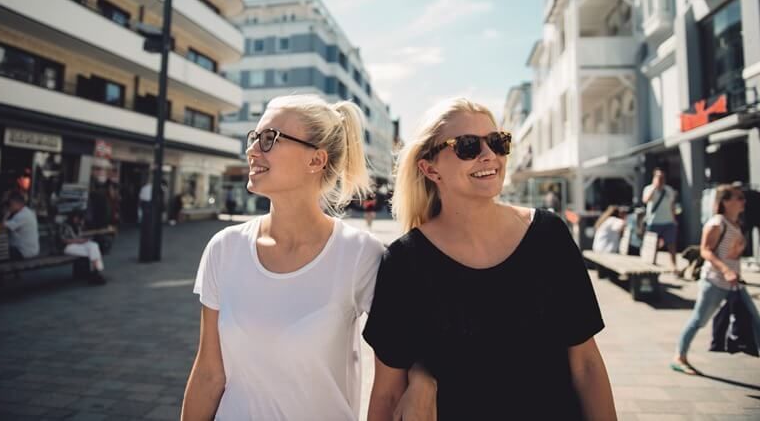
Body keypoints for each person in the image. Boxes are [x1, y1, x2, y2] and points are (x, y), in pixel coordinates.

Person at [181, 94, 433, 420]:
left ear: (316, 161)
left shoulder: (360, 255)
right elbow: (208, 374)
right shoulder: (223, 248)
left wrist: (425, 377)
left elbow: (400, 367)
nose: (252, 149)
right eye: (254, 137)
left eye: (270, 138)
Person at [363, 98, 616, 420]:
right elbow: (386, 393)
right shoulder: (404, 263)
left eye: (497, 142)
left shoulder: (548, 236)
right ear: (430, 169)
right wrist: (421, 373)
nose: (490, 155)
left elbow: (587, 364)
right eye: (468, 146)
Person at [671, 184, 760, 375]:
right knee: (698, 320)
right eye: (738, 198)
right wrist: (726, 270)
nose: (743, 201)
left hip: (734, 283)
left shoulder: (736, 223)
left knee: (755, 320)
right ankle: (679, 357)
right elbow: (706, 251)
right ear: (725, 202)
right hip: (714, 282)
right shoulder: (717, 223)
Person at [643, 168, 680, 273]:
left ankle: (673, 266)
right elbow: (646, 200)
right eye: (658, 177)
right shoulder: (648, 189)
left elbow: (672, 206)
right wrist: (654, 188)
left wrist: (674, 219)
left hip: (668, 222)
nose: (661, 179)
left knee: (671, 244)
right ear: (654, 178)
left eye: (663, 177)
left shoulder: (669, 190)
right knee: (652, 245)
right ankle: (652, 265)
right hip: (654, 222)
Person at [59, 211, 107, 285]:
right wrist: (78, 241)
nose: (79, 220)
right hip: (67, 247)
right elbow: (63, 240)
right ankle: (97, 272)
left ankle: (96, 271)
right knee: (92, 252)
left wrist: (83, 240)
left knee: (94, 246)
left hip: (78, 244)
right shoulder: (65, 226)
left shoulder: (77, 225)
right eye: (78, 218)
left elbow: (81, 235)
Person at [3, 192, 39, 260]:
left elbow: (2, 227)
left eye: (10, 204)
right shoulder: (27, 211)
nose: (9, 206)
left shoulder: (22, 215)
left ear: (15, 203)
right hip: (28, 249)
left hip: (23, 251)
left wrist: (6, 214)